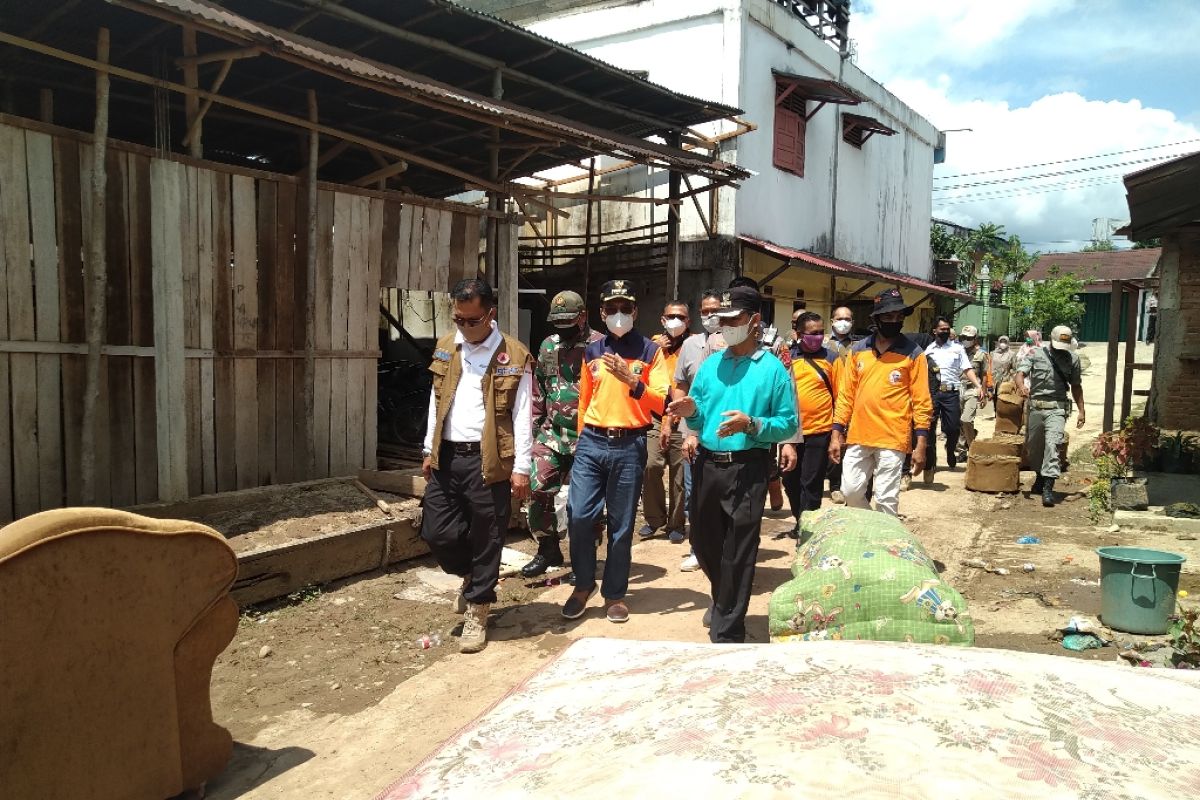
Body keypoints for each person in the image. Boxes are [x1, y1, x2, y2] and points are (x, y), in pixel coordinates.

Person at [669, 285, 799, 643]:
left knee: (740, 550)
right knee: (706, 543)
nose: (723, 325)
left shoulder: (772, 369)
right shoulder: (711, 366)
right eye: (721, 319)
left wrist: (753, 424)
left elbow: (788, 423)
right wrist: (691, 415)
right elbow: (698, 418)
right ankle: (724, 598)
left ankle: (729, 631)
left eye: (732, 319)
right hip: (708, 465)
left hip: (748, 466)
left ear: (754, 321)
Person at [420, 279, 533, 653]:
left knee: (489, 536)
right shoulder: (445, 346)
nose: (464, 328)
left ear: (490, 315)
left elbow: (522, 415)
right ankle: (471, 579)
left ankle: (479, 607)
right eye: (458, 319)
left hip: (490, 460)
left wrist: (522, 467)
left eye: (471, 321)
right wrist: (427, 448)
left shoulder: (514, 355)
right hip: (447, 456)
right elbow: (436, 402)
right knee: (438, 533)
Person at [560, 280, 670, 623]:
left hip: (630, 442)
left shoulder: (652, 351)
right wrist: (580, 442)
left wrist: (633, 381)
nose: (618, 314)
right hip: (592, 441)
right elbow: (584, 400)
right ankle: (583, 584)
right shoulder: (593, 351)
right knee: (579, 515)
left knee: (621, 524)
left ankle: (614, 594)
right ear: (601, 313)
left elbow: (663, 401)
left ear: (635, 311)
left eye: (625, 308)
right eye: (612, 309)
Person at [520, 291, 605, 578]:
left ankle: (584, 558)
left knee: (582, 503)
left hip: (589, 437)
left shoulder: (601, 346)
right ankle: (547, 549)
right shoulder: (548, 346)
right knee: (538, 488)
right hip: (551, 434)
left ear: (583, 317)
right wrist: (532, 435)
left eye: (568, 320)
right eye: (558, 322)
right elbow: (539, 391)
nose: (563, 326)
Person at [830, 288, 932, 517]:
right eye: (887, 317)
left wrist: (921, 445)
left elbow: (922, 402)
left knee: (886, 499)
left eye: (898, 317)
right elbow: (846, 395)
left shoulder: (914, 354)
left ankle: (885, 547)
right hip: (859, 434)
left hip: (893, 437)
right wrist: (836, 434)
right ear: (876, 319)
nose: (894, 321)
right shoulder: (858, 350)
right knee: (851, 491)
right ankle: (872, 528)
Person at [672, 290, 724, 573]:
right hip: (693, 430)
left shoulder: (732, 343)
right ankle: (698, 548)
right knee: (694, 491)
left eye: (715, 310)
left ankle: (723, 545)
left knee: (720, 492)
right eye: (705, 311)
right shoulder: (690, 345)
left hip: (723, 431)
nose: (710, 316)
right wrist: (679, 423)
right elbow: (680, 385)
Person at [1015, 324, 1085, 507]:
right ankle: (1039, 475)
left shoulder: (1073, 359)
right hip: (1036, 407)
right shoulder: (1035, 354)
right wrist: (1022, 386)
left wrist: (1081, 411)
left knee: (1053, 445)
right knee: (1034, 446)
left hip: (1057, 409)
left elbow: (1076, 386)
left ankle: (1048, 486)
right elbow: (1020, 374)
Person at [781, 311, 839, 522]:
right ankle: (800, 520)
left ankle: (808, 528)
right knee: (789, 480)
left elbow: (840, 396)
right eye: (812, 333)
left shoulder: (831, 359)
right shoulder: (787, 358)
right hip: (790, 433)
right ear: (798, 334)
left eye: (821, 332)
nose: (818, 336)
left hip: (820, 431)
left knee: (811, 483)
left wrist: (837, 434)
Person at [640, 302, 690, 543]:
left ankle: (676, 523)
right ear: (662, 319)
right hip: (655, 415)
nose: (675, 321)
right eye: (670, 316)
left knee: (679, 473)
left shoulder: (691, 347)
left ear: (688, 321)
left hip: (682, 417)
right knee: (651, 465)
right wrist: (653, 348)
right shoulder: (651, 346)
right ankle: (654, 518)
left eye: (680, 317)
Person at [922, 316, 985, 474]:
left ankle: (950, 450)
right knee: (930, 428)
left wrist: (979, 386)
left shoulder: (957, 349)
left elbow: (967, 369)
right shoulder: (928, 350)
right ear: (934, 331)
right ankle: (931, 462)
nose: (945, 331)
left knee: (953, 429)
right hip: (934, 393)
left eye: (947, 329)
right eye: (942, 329)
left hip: (951, 393)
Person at [824, 305, 860, 502]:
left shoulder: (859, 346)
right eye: (839, 318)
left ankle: (836, 485)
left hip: (847, 400)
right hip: (825, 398)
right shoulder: (821, 343)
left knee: (842, 441)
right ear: (832, 321)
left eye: (847, 318)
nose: (843, 322)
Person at [956, 325, 990, 461]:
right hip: (958, 388)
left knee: (966, 419)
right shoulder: (957, 351)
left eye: (969, 338)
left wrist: (984, 393)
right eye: (964, 337)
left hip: (973, 390)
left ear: (975, 338)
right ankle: (961, 450)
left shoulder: (982, 354)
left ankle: (972, 447)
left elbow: (985, 375)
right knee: (958, 421)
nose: (966, 340)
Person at [989, 334, 1017, 411]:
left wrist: (1013, 379)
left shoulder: (1012, 354)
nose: (1003, 343)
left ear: (1008, 343)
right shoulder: (993, 353)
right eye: (1001, 341)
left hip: (1005, 379)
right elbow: (989, 366)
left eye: (1005, 342)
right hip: (994, 379)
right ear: (998, 342)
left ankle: (1002, 412)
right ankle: (996, 413)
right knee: (994, 397)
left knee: (1003, 397)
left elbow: (1014, 368)